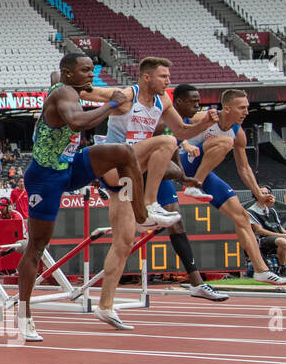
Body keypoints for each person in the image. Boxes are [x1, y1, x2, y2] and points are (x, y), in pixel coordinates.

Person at [16, 54, 168, 344]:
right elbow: (76, 123)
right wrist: (111, 104)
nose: (91, 76)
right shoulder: (63, 93)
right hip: (45, 177)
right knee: (36, 246)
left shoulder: (64, 84)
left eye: (93, 71)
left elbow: (53, 74)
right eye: (85, 71)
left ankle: (141, 211)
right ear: (69, 73)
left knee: (125, 152)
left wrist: (74, 83)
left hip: (71, 166)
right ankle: (23, 315)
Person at [85, 58, 212, 316]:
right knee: (165, 141)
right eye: (163, 77)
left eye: (168, 76)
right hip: (113, 164)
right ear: (146, 78)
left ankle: (105, 306)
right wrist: (62, 85)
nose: (168, 82)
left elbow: (183, 131)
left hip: (130, 175)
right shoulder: (125, 96)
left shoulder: (163, 101)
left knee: (123, 243)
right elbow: (85, 91)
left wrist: (206, 123)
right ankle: (150, 203)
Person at [167, 87, 286, 285]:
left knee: (242, 216)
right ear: (226, 108)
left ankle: (261, 270)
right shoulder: (206, 116)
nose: (245, 111)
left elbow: (244, 168)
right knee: (224, 142)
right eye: (241, 107)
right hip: (182, 163)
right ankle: (194, 185)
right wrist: (185, 145)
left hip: (203, 173)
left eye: (247, 107)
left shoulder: (238, 133)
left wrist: (258, 194)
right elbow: (175, 128)